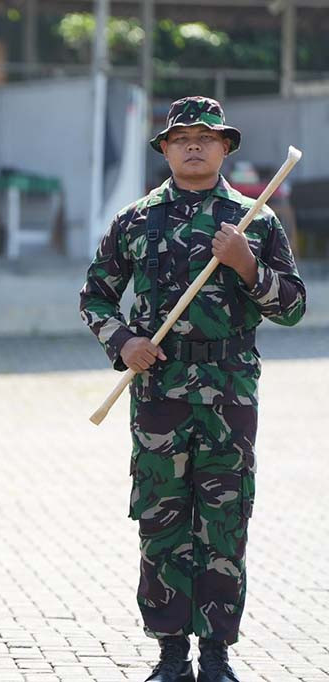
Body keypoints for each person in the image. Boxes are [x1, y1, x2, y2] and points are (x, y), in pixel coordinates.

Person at [80, 96, 306, 682]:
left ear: (226, 146)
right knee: (162, 523)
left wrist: (247, 266)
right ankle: (170, 654)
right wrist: (124, 342)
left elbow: (294, 307)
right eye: (181, 138)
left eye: (206, 137)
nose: (194, 146)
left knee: (224, 524)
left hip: (230, 394)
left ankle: (216, 656)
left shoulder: (254, 220)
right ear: (166, 149)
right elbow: (96, 296)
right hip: (160, 395)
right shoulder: (135, 221)